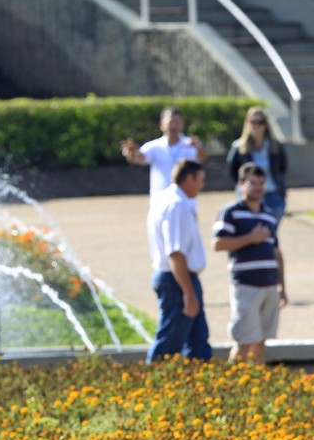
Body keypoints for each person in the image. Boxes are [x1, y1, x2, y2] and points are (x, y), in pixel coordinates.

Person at [212, 163, 287, 364]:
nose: (257, 187)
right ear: (241, 184)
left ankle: (257, 384)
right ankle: (232, 386)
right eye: (252, 183)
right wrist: (251, 238)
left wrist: (283, 286)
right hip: (246, 284)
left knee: (261, 341)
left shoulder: (269, 214)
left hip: (270, 284)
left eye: (261, 183)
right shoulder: (231, 212)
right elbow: (218, 243)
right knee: (244, 340)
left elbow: (276, 251)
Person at [146, 158, 212, 363]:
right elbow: (175, 252)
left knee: (198, 342)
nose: (202, 185)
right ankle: (150, 383)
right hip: (177, 280)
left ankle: (198, 386)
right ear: (188, 178)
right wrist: (188, 293)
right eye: (200, 180)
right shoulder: (176, 205)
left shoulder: (168, 199)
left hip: (177, 278)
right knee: (169, 343)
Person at [121, 106, 209, 200]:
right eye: (171, 122)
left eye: (177, 122)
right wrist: (131, 152)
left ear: (182, 124)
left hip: (186, 201)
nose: (174, 126)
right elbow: (138, 158)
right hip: (160, 201)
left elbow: (204, 157)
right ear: (161, 125)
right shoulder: (154, 146)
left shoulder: (191, 144)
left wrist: (197, 148)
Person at [226, 107, 288, 222]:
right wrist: (244, 187)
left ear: (265, 125)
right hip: (249, 196)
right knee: (249, 230)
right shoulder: (239, 147)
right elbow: (233, 170)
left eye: (260, 122)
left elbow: (282, 168)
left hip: (273, 195)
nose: (256, 125)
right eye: (253, 122)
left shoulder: (275, 146)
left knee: (269, 234)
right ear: (248, 124)